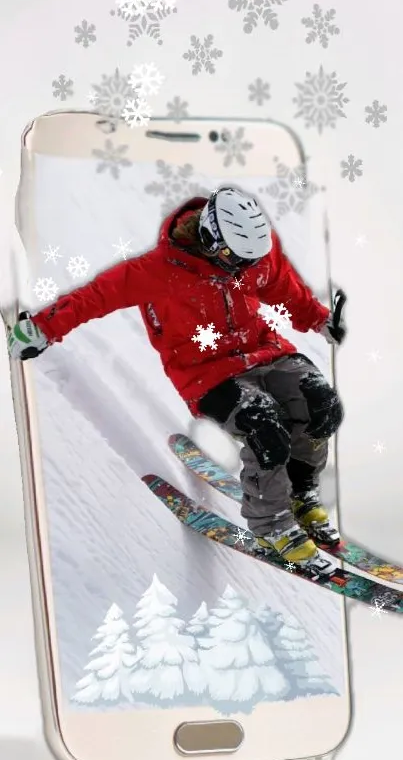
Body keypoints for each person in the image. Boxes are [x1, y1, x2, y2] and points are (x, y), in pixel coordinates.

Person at [8, 186, 346, 564]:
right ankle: (272, 525)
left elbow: (280, 283)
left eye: (253, 258)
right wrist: (42, 327)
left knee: (322, 404)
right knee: (265, 426)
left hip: (265, 351)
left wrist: (318, 318)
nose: (246, 268)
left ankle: (300, 493)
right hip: (208, 374)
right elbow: (95, 297)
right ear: (209, 238)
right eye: (236, 258)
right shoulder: (158, 271)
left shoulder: (252, 254)